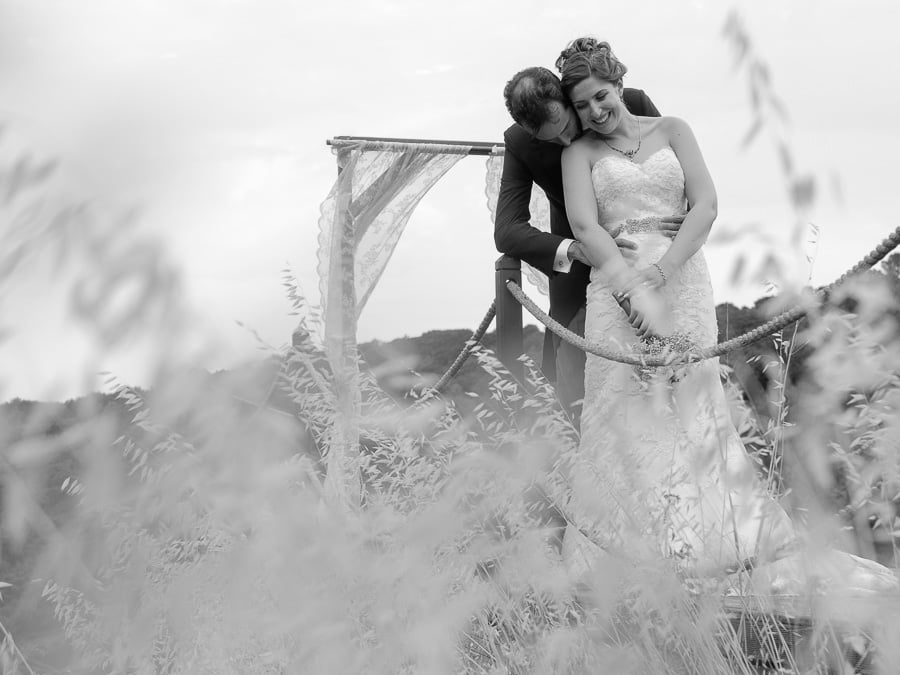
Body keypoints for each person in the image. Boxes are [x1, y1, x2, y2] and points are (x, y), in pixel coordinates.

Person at [556, 36, 899, 598]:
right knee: (624, 408)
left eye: (601, 96)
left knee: (691, 409)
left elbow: (707, 205)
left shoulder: (673, 130)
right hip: (615, 289)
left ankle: (711, 543)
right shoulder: (578, 155)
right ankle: (622, 557)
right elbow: (587, 228)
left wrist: (663, 272)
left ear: (618, 83)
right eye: (583, 106)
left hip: (683, 275)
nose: (595, 111)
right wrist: (631, 286)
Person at [497, 66, 680, 425]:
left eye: (566, 128)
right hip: (580, 282)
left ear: (566, 98)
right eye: (551, 140)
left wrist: (662, 223)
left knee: (676, 391)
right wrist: (578, 248)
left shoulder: (629, 104)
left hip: (653, 262)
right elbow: (507, 230)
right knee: (585, 407)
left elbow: (673, 185)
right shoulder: (518, 142)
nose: (566, 143)